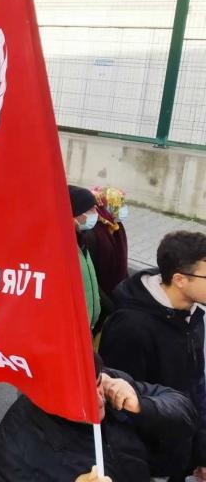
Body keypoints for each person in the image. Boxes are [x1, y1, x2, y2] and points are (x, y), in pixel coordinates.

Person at [99, 231, 206, 479]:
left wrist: (201, 452)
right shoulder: (130, 329)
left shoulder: (192, 315)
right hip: (150, 464)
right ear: (179, 279)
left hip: (180, 453)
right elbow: (119, 409)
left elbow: (197, 387)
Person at [0, 355, 198, 482]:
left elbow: (185, 413)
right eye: (82, 397)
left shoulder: (110, 384)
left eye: (97, 385)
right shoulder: (15, 446)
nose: (98, 400)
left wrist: (142, 405)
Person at [86, 187, 129, 315]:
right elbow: (91, 275)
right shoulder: (92, 234)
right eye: (118, 205)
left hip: (115, 295)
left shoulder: (116, 226)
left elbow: (122, 260)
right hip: (101, 300)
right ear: (106, 206)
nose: (123, 209)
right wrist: (111, 307)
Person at [69, 185, 101, 331]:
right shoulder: (64, 248)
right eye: (90, 210)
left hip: (88, 327)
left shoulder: (82, 240)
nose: (95, 213)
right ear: (74, 214)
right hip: (75, 331)